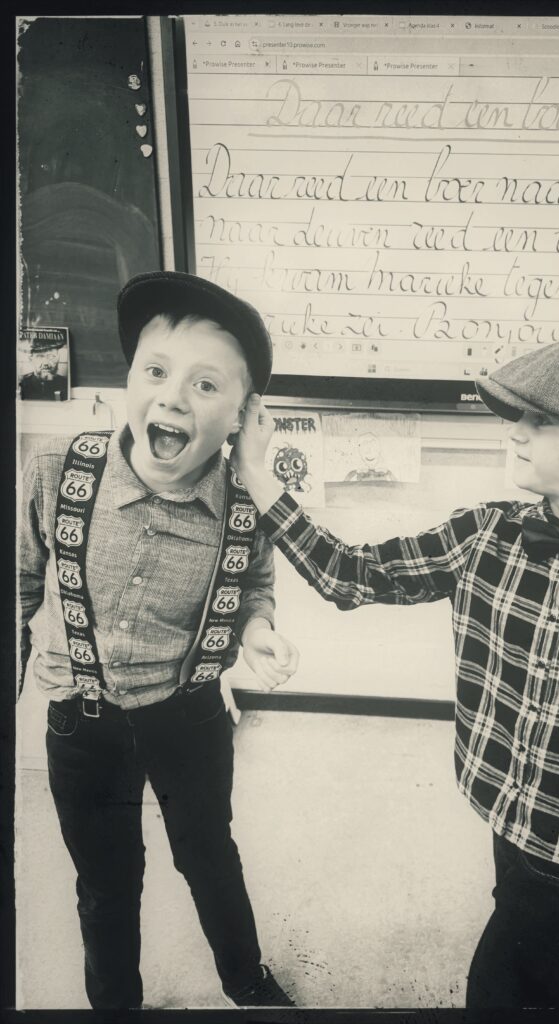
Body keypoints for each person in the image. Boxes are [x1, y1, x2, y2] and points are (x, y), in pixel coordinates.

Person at [232, 333, 559, 1009]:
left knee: (500, 989)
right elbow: (348, 573)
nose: (517, 433)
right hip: (501, 806)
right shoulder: (485, 534)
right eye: (519, 416)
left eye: (541, 420)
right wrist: (257, 473)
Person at [19, 271, 300, 1010]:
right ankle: (116, 1003)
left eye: (206, 385)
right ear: (130, 379)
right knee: (105, 881)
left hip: (188, 713)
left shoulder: (244, 506)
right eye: (156, 371)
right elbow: (20, 583)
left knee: (209, 857)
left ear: (243, 415)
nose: (173, 398)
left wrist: (258, 628)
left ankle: (246, 980)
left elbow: (255, 583)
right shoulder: (56, 470)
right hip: (81, 719)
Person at [19, 335, 69, 400]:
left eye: (51, 356)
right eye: (40, 356)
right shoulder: (22, 384)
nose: (45, 363)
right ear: (31, 359)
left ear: (58, 358)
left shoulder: (65, 384)